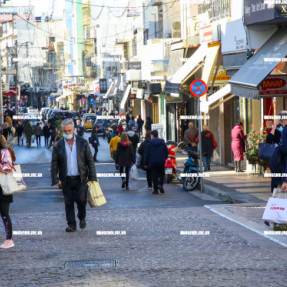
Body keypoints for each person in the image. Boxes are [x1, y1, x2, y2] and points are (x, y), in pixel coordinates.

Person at [51, 118, 97, 232]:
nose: (67, 133)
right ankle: (71, 224)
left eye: (69, 130)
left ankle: (82, 217)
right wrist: (55, 179)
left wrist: (92, 176)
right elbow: (54, 163)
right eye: (65, 131)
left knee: (81, 200)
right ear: (62, 131)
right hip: (66, 179)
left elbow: (90, 161)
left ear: (74, 130)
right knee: (68, 202)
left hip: (81, 178)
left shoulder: (83, 142)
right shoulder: (58, 145)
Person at [0, 135, 15, 248]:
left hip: (3, 188)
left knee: (4, 214)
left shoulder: (4, 151)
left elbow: (8, 166)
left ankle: (9, 240)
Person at [144, 130, 168, 194]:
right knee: (161, 174)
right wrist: (164, 158)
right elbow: (166, 151)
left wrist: (145, 163)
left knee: (154, 176)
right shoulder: (162, 142)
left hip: (152, 162)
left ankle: (155, 189)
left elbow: (147, 154)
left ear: (152, 135)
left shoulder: (149, 143)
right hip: (161, 161)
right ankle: (160, 184)